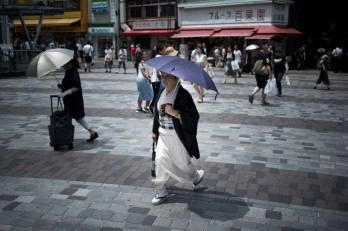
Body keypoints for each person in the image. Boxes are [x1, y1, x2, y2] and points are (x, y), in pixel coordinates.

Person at [151, 71, 204, 205]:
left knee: (183, 164)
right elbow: (156, 113)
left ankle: (196, 176)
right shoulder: (161, 92)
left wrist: (174, 113)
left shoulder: (183, 95)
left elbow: (193, 117)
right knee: (160, 160)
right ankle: (161, 190)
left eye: (167, 77)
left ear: (176, 78)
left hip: (177, 136)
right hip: (163, 135)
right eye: (162, 76)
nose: (164, 79)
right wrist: (154, 131)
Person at [57, 58, 99, 143]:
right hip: (70, 101)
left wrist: (65, 93)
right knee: (77, 117)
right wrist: (62, 86)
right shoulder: (69, 72)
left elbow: (76, 87)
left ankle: (64, 136)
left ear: (71, 64)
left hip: (74, 101)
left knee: (74, 117)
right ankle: (92, 132)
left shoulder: (73, 72)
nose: (63, 65)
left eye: (65, 63)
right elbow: (69, 84)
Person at [149, 42, 166, 115]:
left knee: (157, 95)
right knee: (157, 95)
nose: (165, 50)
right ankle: (152, 107)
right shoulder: (159, 57)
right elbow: (159, 69)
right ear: (160, 50)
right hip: (157, 80)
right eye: (163, 49)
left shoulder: (156, 56)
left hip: (155, 79)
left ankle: (154, 108)